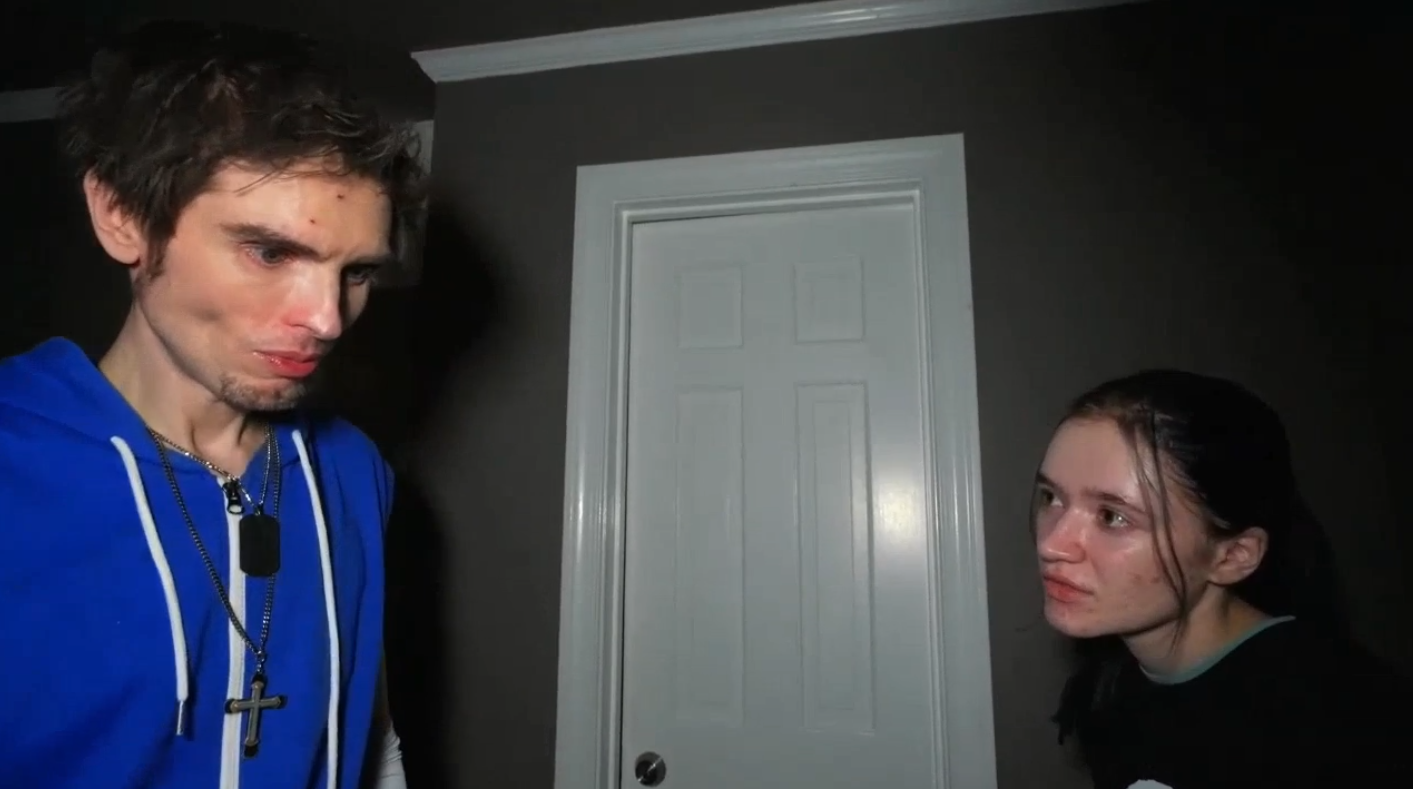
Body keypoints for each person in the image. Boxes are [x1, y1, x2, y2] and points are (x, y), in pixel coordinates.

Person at [0, 19, 426, 789]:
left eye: (357, 271)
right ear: (122, 214)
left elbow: (373, 741)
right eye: (269, 251)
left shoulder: (353, 469)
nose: (327, 318)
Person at [1033, 369, 1413, 789]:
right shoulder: (1109, 691)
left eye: (1112, 516)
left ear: (1233, 556)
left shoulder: (1348, 721)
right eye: (1051, 497)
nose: (1052, 545)